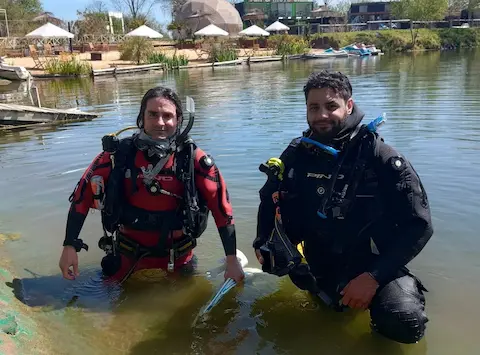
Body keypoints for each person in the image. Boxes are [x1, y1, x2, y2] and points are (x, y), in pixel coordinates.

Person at [253, 70, 433, 344]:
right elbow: (269, 199)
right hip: (319, 266)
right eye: (314, 108)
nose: (321, 115)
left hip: (374, 268)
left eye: (331, 106)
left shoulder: (382, 159)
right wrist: (265, 243)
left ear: (349, 106)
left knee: (404, 320)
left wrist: (373, 278)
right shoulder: (296, 156)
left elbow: (420, 226)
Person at [59, 86, 244, 285]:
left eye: (167, 116)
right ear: (142, 117)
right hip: (127, 255)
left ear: (179, 120)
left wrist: (232, 260)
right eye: (153, 114)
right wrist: (69, 246)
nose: (160, 122)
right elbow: (81, 198)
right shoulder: (118, 156)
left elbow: (222, 210)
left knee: (186, 305)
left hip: (178, 258)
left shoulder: (193, 159)